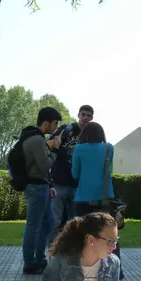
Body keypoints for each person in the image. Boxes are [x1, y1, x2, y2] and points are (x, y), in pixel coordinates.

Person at [71, 121, 123, 278]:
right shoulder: (109, 148)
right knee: (109, 236)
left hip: (83, 198)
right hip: (105, 198)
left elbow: (75, 174)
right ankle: (115, 270)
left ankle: (83, 268)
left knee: (83, 234)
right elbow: (109, 171)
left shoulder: (79, 149)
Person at [37, 212, 120, 281]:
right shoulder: (59, 263)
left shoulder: (113, 263)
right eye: (110, 242)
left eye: (116, 241)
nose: (114, 247)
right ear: (91, 240)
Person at [22, 107, 63, 275]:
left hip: (42, 186)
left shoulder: (36, 138)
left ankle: (39, 259)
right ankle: (30, 263)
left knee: (47, 223)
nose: (55, 127)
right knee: (34, 226)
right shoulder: (37, 140)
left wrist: (50, 185)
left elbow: (42, 169)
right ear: (46, 122)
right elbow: (45, 165)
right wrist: (54, 150)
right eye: (55, 123)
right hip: (36, 187)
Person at [47, 104, 94, 247]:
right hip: (59, 182)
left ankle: (71, 252)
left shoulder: (91, 135)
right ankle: (52, 253)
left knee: (75, 223)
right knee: (54, 221)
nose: (85, 118)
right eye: (83, 114)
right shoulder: (66, 129)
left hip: (77, 185)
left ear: (92, 118)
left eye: (88, 115)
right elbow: (48, 144)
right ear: (78, 115)